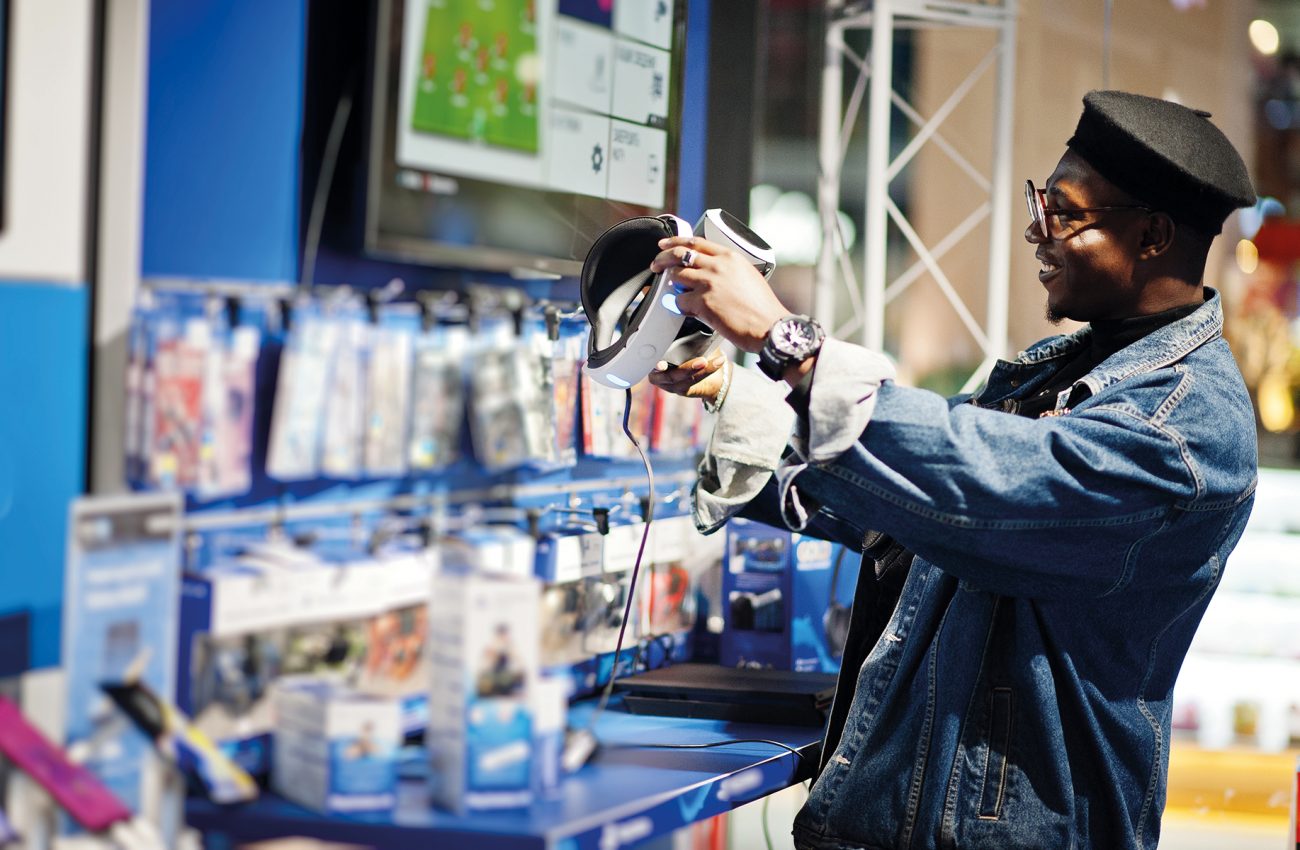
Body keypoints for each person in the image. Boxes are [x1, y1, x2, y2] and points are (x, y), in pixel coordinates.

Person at [648, 90, 1258, 850]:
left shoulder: (1185, 431)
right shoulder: (1062, 369)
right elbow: (899, 508)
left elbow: (981, 486)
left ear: (1153, 235)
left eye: (1065, 213)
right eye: (1043, 200)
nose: (1039, 231)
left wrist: (785, 340)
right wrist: (732, 390)